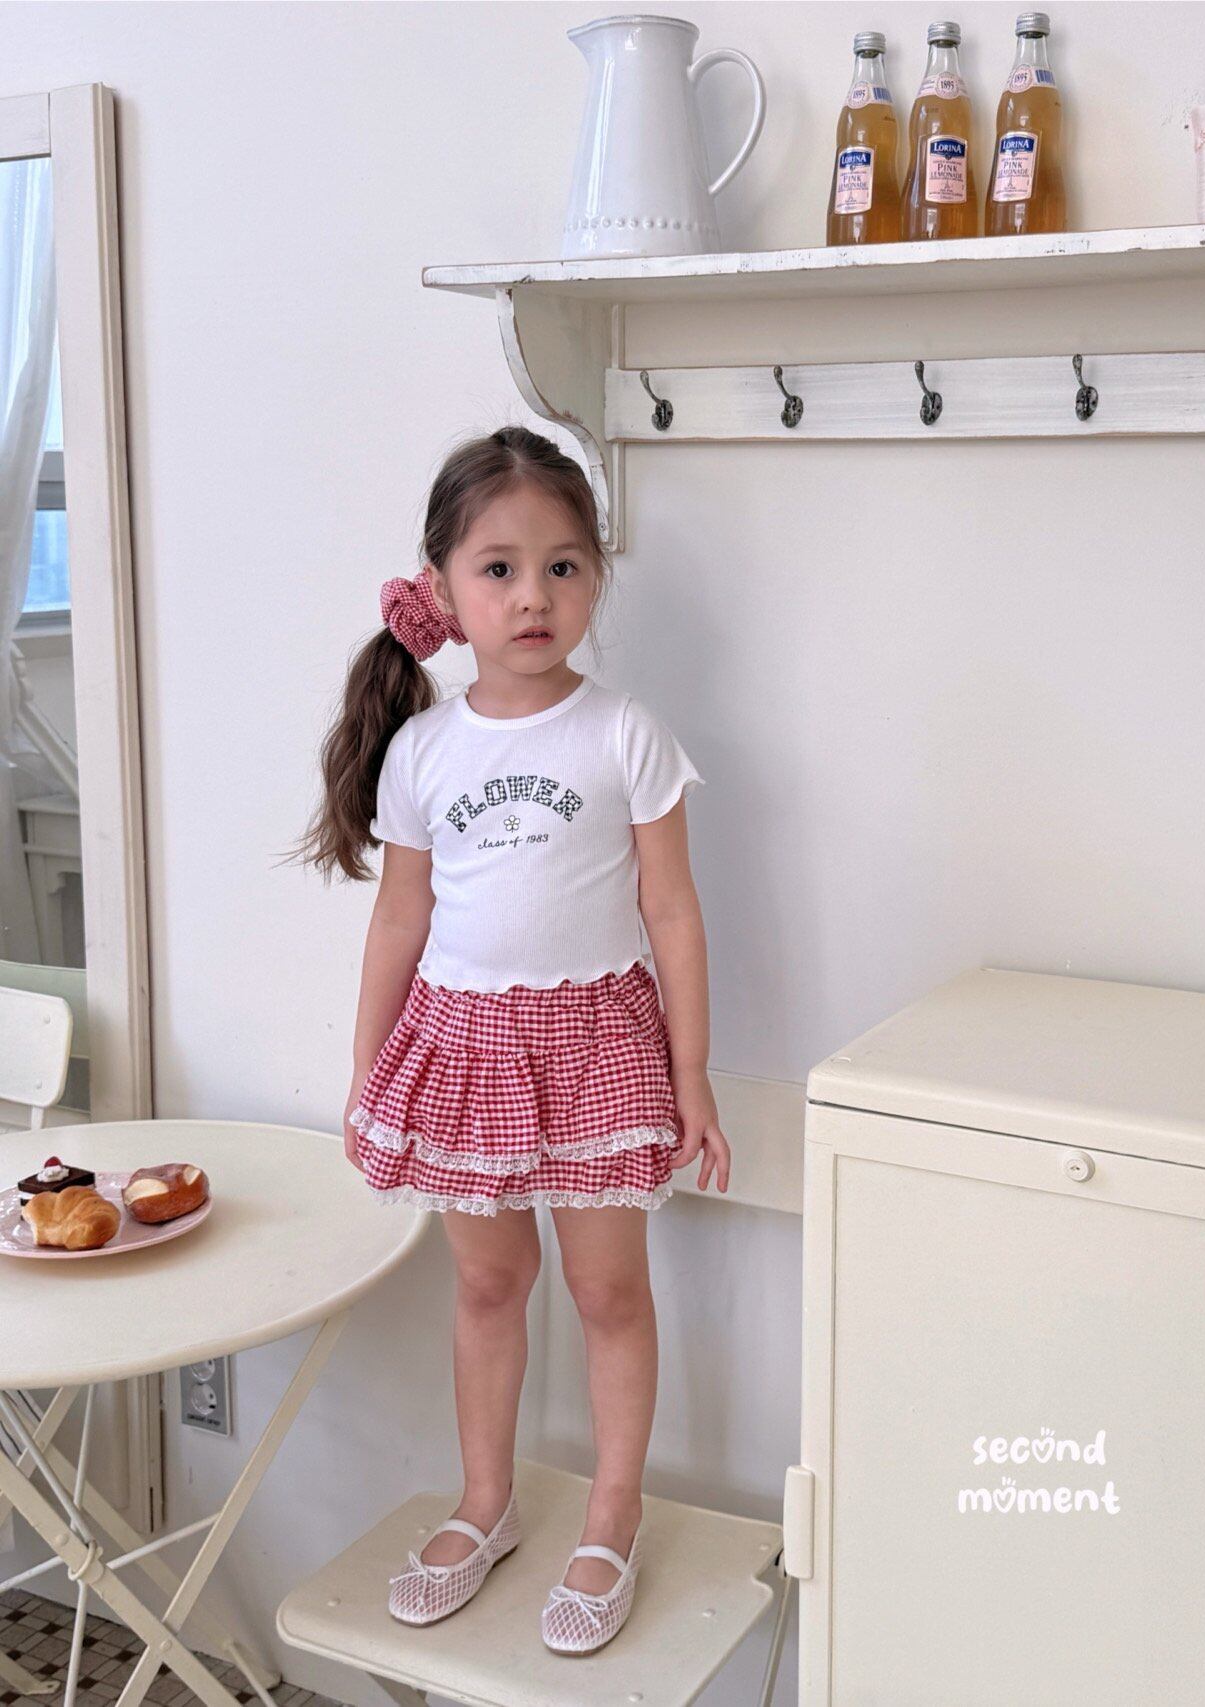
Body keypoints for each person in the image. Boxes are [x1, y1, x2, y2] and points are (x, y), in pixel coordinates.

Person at [293, 423, 730, 1655]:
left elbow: (671, 911)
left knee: (607, 1291)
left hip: (595, 1043)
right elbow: (398, 920)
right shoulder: (422, 750)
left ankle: (610, 1512)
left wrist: (691, 1074)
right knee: (488, 1285)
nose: (532, 595)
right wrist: (369, 1073)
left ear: (594, 576)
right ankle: (484, 1502)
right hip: (461, 1048)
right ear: (441, 586)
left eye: (561, 566)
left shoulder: (624, 734)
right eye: (498, 568)